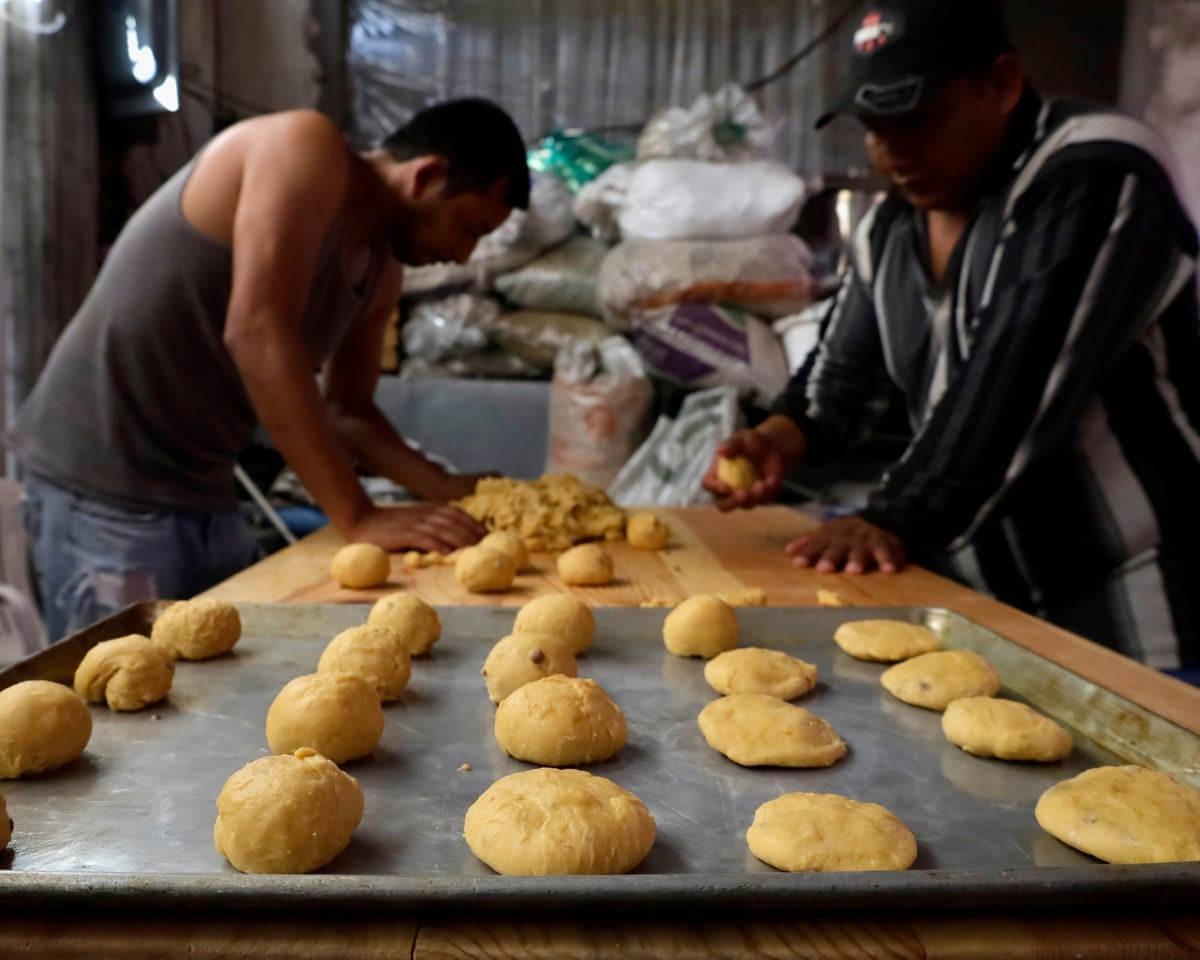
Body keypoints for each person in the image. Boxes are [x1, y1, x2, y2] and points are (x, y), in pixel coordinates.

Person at [704, 0, 1200, 671]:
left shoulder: (1096, 170)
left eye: (918, 120)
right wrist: (779, 437)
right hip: (985, 600)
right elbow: (841, 385)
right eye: (875, 130)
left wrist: (895, 515)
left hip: (1137, 603)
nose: (893, 153)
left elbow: (1016, 380)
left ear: (1002, 84)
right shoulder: (890, 228)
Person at [8, 98, 530, 641]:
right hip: (104, 489)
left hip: (204, 490)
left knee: (216, 670)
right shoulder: (303, 145)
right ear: (426, 176)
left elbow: (349, 414)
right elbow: (256, 331)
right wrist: (359, 515)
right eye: (469, 227)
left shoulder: (380, 272)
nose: (463, 255)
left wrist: (450, 490)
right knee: (119, 681)